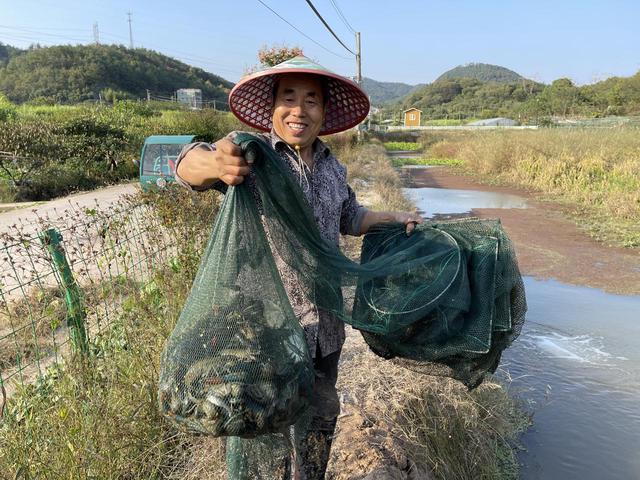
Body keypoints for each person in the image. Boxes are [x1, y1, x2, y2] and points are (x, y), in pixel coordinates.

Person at [174, 55, 422, 479]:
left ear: (324, 112)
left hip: (324, 328)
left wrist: (388, 218)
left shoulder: (331, 166)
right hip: (267, 331)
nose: (299, 109)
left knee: (319, 423)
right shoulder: (253, 155)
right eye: (288, 97)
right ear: (272, 108)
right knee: (266, 436)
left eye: (311, 99)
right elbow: (187, 165)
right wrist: (215, 163)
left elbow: (348, 216)